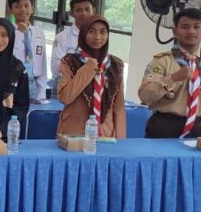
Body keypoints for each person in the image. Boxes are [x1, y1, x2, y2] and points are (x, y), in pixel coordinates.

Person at [56, 16, 126, 138]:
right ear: (83, 34)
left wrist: (121, 141)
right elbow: (65, 97)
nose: (97, 37)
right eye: (92, 31)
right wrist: (88, 69)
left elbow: (119, 108)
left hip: (105, 136)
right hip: (74, 135)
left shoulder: (115, 65)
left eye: (103, 32)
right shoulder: (70, 61)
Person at [138, 8, 201, 138]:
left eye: (197, 27)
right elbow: (144, 96)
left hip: (198, 127)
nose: (191, 31)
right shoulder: (162, 61)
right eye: (185, 27)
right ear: (175, 32)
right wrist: (173, 78)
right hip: (165, 126)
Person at [8, 0, 47, 102]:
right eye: (17, 7)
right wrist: (20, 33)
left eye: (26, 6)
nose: (23, 10)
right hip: (14, 83)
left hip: (34, 84)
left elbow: (42, 65)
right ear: (10, 10)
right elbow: (9, 54)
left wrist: (41, 94)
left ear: (32, 9)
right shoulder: (7, 32)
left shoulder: (39, 33)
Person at [51, 0, 95, 85]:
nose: (84, 13)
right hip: (68, 85)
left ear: (93, 11)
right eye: (78, 10)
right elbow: (55, 68)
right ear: (71, 13)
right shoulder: (62, 37)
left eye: (87, 9)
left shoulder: (98, 37)